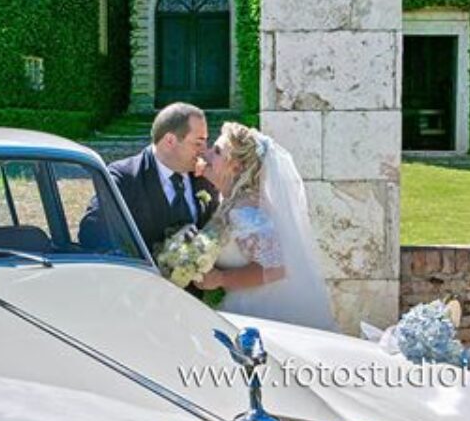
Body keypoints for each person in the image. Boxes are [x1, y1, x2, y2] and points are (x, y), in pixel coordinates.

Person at [196, 122, 337, 331]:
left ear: (236, 167)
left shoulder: (244, 213)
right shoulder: (229, 200)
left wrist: (219, 279)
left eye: (216, 151)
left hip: (259, 314)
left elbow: (274, 269)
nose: (206, 154)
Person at [79, 102, 219, 254]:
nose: (205, 151)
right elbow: (91, 233)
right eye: (198, 143)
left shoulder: (204, 179)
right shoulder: (124, 178)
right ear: (170, 141)